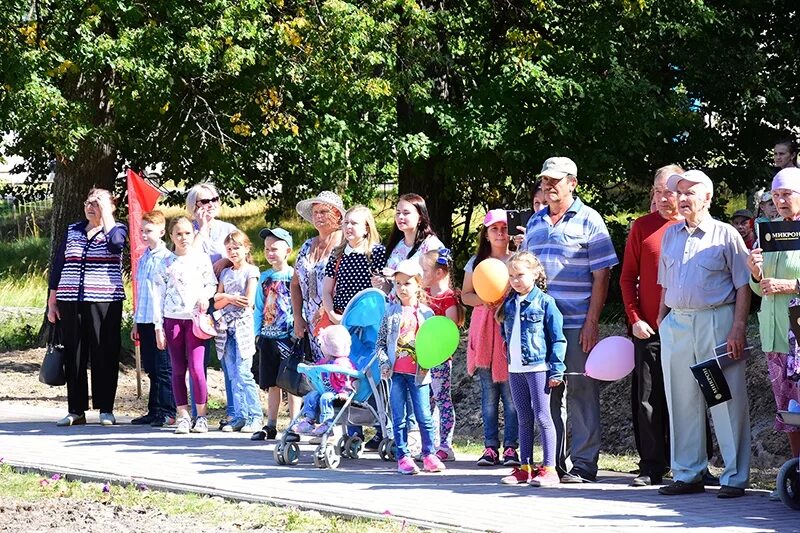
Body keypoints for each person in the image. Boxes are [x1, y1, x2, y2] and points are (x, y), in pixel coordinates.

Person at [657, 169, 751, 499]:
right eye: (678, 192)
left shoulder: (726, 235)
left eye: (689, 192)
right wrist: (661, 321)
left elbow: (743, 285)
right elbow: (665, 284)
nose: (681, 198)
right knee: (681, 400)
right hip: (677, 325)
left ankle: (734, 477)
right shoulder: (670, 235)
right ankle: (687, 472)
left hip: (716, 322)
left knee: (723, 398)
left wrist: (737, 327)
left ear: (707, 197)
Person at [523, 157, 618, 483]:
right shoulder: (535, 223)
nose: (549, 185)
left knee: (581, 391)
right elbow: (524, 273)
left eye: (556, 180)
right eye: (545, 180)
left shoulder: (591, 220)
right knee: (548, 394)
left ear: (572, 183)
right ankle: (554, 463)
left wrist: (593, 321)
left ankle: (584, 465)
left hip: (577, 321)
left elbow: (602, 276)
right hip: (539, 326)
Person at [620, 165, 683, 487]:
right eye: (656, 191)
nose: (660, 197)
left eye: (667, 191)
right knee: (647, 398)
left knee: (690, 396)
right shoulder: (642, 227)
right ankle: (651, 464)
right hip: (648, 329)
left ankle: (690, 463)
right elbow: (628, 277)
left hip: (687, 327)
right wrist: (635, 319)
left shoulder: (691, 227)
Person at [48, 188, 128, 427]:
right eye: (88, 202)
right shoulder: (73, 229)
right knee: (74, 353)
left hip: (104, 299)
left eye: (98, 202)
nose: (91, 206)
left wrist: (107, 217)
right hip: (70, 298)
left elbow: (116, 246)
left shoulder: (117, 229)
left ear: (111, 206)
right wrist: (52, 299)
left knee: (104, 351)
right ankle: (76, 409)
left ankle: (106, 408)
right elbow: (60, 263)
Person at [747, 167, 800, 497]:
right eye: (775, 196)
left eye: (787, 195)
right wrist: (755, 272)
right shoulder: (766, 231)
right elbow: (758, 289)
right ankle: (798, 472)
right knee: (791, 412)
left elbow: (786, 283)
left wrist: (793, 285)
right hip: (776, 334)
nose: (779, 201)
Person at [496, 252, 566, 487]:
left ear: (535, 274)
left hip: (538, 368)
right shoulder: (509, 303)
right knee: (523, 417)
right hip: (515, 369)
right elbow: (506, 333)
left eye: (521, 275)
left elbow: (558, 339)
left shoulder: (546, 303)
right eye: (511, 276)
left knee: (543, 417)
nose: (516, 280)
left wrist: (556, 370)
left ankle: (549, 468)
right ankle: (525, 466)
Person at [462, 209, 520, 468]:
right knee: (488, 396)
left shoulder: (516, 261)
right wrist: (486, 300)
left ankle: (511, 448)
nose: (499, 232)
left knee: (511, 396)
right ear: (485, 234)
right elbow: (466, 295)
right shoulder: (476, 263)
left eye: (503, 228)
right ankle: (489, 447)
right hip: (484, 332)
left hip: (509, 332)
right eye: (494, 228)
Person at [377, 259, 446, 475]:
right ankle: (403, 457)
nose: (402, 288)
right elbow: (380, 344)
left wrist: (432, 362)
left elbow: (435, 345)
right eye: (398, 284)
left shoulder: (427, 314)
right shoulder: (390, 312)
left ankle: (429, 455)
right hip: (396, 374)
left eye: (407, 283)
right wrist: (385, 362)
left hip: (420, 374)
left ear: (418, 284)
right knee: (398, 417)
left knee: (424, 415)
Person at [152, 217, 218, 435]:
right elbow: (157, 295)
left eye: (187, 233)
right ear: (171, 236)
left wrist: (205, 297)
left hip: (195, 320)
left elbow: (211, 284)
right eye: (178, 234)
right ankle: (183, 415)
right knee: (178, 369)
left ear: (193, 234)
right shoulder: (165, 262)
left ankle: (201, 416)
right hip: (172, 319)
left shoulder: (201, 259)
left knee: (198, 369)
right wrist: (158, 327)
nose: (183, 238)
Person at [185, 182, 240, 428]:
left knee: (227, 354)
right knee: (197, 358)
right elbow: (188, 257)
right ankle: (199, 412)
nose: (210, 205)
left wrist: (225, 260)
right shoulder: (189, 229)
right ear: (193, 205)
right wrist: (203, 227)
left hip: (223, 298)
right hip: (196, 298)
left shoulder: (228, 229)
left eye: (214, 199)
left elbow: (242, 255)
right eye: (203, 201)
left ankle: (233, 412)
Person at [251, 227, 301, 441]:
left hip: (287, 337)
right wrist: (257, 334)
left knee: (290, 383)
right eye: (266, 249)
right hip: (267, 336)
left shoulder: (293, 277)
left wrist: (297, 330)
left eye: (275, 249)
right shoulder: (264, 278)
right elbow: (258, 307)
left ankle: (294, 425)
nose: (270, 253)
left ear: (287, 250)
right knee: (271, 383)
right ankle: (270, 425)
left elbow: (298, 304)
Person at [130, 210, 176, 428]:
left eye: (149, 231)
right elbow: (141, 293)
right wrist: (136, 321)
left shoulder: (168, 259)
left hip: (161, 321)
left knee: (164, 367)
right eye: (142, 231)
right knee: (151, 367)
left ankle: (168, 410)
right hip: (145, 319)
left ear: (161, 231)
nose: (144, 235)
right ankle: (154, 410)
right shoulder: (144, 258)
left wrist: (163, 324)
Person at [213, 230, 262, 434]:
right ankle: (239, 415)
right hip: (226, 327)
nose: (233, 252)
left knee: (244, 372)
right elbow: (216, 302)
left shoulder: (251, 271)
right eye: (229, 249)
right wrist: (229, 298)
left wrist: (226, 298)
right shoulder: (226, 272)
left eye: (237, 248)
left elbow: (248, 301)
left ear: (246, 248)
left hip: (242, 326)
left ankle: (255, 416)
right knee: (232, 373)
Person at [420, 248, 465, 462]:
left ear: (439, 273)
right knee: (424, 401)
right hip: (421, 357)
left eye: (424, 270)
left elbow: (451, 328)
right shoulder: (422, 294)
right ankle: (427, 443)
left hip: (438, 357)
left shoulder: (447, 298)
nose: (421, 274)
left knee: (441, 399)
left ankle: (445, 445)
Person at [291, 191, 346, 362]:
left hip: (335, 317)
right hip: (310, 321)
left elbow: (348, 285)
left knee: (337, 369)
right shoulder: (307, 245)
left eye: (323, 212)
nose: (318, 216)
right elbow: (295, 284)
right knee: (317, 373)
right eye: (315, 212)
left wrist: (326, 308)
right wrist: (298, 317)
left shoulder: (344, 245)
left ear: (337, 215)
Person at [321, 205, 387, 325]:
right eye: (346, 223)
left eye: (354, 223)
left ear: (366, 228)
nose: (348, 227)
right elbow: (326, 291)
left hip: (368, 321)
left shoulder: (377, 252)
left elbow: (384, 290)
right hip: (341, 318)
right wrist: (332, 315)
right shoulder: (337, 253)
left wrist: (380, 283)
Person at [290, 325, 356, 436]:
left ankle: (327, 422)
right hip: (324, 390)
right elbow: (316, 369)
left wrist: (344, 392)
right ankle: (309, 420)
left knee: (326, 397)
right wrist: (309, 373)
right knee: (312, 395)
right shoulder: (325, 361)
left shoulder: (344, 363)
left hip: (339, 395)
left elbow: (349, 379)